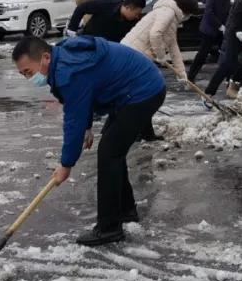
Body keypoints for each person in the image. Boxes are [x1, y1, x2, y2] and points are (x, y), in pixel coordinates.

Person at [13, 35, 165, 246]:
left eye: (28, 72)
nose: (29, 78)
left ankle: (109, 228)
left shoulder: (69, 72)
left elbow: (73, 117)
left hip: (143, 91)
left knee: (109, 154)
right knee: (112, 152)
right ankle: (125, 210)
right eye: (23, 75)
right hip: (132, 90)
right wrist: (87, 127)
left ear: (45, 57)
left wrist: (66, 164)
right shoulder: (64, 60)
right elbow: (84, 98)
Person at [121, 0, 198, 84]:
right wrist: (160, 55)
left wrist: (181, 73)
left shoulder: (172, 17)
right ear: (185, 10)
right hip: (132, 53)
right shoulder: (167, 12)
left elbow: (173, 46)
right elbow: (155, 34)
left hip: (137, 54)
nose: (188, 17)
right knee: (141, 85)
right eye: (189, 14)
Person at [188, 0, 235, 83]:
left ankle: (230, 78)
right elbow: (209, 12)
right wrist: (220, 25)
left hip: (221, 31)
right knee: (203, 54)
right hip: (209, 30)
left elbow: (227, 13)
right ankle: (191, 76)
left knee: (226, 53)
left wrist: (226, 26)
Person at [67, 0, 144, 41]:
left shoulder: (134, 22)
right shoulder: (107, 4)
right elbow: (82, 7)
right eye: (136, 13)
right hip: (89, 41)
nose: (137, 16)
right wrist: (72, 30)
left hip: (111, 50)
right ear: (128, 8)